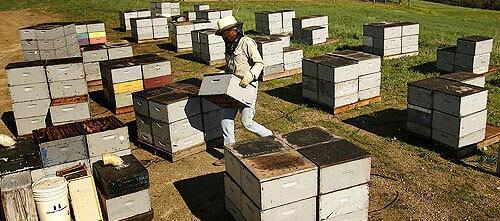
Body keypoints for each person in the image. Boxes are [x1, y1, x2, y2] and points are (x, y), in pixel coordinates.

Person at [213, 16, 273, 164]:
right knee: (226, 120)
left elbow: (259, 62)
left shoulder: (246, 42)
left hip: (247, 86)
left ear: (234, 30)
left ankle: (270, 137)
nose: (223, 37)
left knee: (247, 122)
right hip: (232, 87)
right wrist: (223, 76)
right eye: (221, 34)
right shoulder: (229, 45)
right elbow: (230, 66)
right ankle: (230, 153)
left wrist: (250, 75)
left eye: (225, 33)